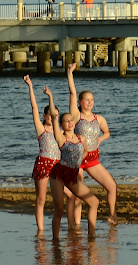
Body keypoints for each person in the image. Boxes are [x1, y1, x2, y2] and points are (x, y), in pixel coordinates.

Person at [67, 63, 118, 225]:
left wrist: (99, 140)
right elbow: (72, 93)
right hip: (77, 160)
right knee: (77, 194)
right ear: (80, 102)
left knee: (112, 186)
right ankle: (76, 224)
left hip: (92, 158)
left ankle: (112, 216)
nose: (89, 102)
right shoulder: (76, 116)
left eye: (92, 100)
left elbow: (107, 132)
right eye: (86, 100)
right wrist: (70, 73)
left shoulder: (99, 119)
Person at [49, 104, 100, 239]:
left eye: (71, 120)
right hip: (58, 174)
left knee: (94, 202)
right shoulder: (61, 137)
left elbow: (85, 152)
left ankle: (91, 236)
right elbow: (54, 118)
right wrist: (50, 97)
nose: (70, 123)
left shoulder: (81, 138)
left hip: (72, 174)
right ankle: (55, 241)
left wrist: (77, 161)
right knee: (59, 210)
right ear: (61, 125)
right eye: (66, 121)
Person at [24, 75, 61, 234]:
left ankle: (73, 224)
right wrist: (30, 86)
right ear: (45, 116)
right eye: (51, 115)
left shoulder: (61, 131)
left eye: (56, 115)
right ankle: (40, 230)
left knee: (71, 194)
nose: (53, 117)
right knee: (41, 199)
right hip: (44, 164)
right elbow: (34, 108)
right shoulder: (42, 129)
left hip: (59, 166)